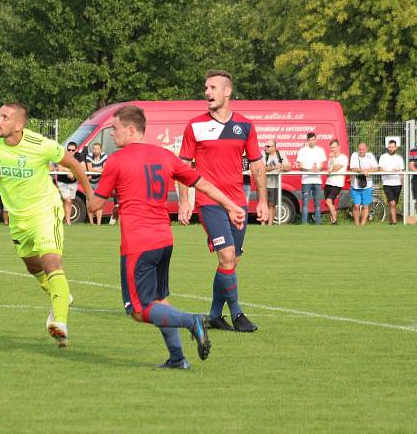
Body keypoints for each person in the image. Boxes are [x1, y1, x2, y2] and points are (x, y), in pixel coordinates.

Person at [88, 106, 246, 368]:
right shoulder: (165, 156)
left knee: (138, 311)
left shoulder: (117, 160)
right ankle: (177, 358)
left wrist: (82, 177)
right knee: (160, 302)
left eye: (114, 129)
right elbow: (202, 183)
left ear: (130, 129)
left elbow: (93, 206)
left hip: (138, 243)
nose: (112, 134)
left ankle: (191, 321)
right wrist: (231, 206)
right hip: (164, 240)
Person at [0, 102, 92, 347]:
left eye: (5, 117)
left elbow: (74, 164)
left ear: (19, 124)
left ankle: (60, 321)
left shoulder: (41, 145)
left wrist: (90, 195)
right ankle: (61, 296)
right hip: (17, 218)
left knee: (51, 262)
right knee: (33, 266)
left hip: (46, 211)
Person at [177, 70, 268, 333]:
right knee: (227, 255)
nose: (207, 92)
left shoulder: (246, 126)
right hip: (209, 202)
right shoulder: (194, 126)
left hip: (238, 203)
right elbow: (182, 166)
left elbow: (258, 165)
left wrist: (262, 200)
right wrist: (185, 201)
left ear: (227, 91)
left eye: (213, 87)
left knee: (231, 261)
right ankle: (238, 314)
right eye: (206, 87)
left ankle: (215, 315)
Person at [295, 132, 327, 225]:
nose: (312, 142)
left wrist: (317, 169)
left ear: (316, 139)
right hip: (306, 181)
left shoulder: (320, 150)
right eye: (310, 140)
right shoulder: (302, 151)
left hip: (317, 181)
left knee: (317, 203)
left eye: (313, 139)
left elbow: (322, 166)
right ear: (307, 141)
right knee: (305, 203)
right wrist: (310, 170)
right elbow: (300, 167)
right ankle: (304, 222)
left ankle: (318, 222)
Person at [349, 142, 378, 226]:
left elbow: (376, 168)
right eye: (359, 149)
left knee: (366, 206)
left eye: (363, 149)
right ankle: (357, 225)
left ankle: (362, 225)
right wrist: (362, 170)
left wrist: (367, 171)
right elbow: (352, 168)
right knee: (356, 206)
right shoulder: (354, 155)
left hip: (367, 185)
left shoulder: (370, 156)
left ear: (366, 149)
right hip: (355, 185)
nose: (361, 151)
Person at [261, 140, 290, 225]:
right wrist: (275, 167)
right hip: (263, 185)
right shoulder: (263, 154)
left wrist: (282, 168)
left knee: (272, 205)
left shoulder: (280, 154)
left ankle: (270, 225)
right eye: (265, 146)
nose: (266, 148)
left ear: (274, 147)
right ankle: (262, 225)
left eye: (268, 146)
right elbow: (262, 167)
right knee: (263, 204)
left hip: (275, 184)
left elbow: (288, 167)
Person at [55, 142, 84, 224]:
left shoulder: (78, 156)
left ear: (76, 150)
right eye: (69, 150)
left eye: (72, 150)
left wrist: (72, 172)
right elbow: (60, 168)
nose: (70, 151)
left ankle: (66, 220)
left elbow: (83, 168)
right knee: (67, 200)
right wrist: (70, 171)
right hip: (62, 182)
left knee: (70, 201)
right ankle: (68, 221)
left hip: (73, 182)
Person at [378, 140, 404, 225]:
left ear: (395, 147)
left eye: (392, 147)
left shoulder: (399, 158)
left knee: (393, 204)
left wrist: (402, 183)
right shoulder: (383, 157)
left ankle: (390, 220)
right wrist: (390, 171)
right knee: (392, 203)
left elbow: (402, 172)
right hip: (387, 183)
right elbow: (380, 169)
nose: (391, 149)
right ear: (387, 147)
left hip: (397, 184)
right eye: (389, 147)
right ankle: (394, 222)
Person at [324, 139, 348, 225]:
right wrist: (330, 169)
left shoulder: (343, 158)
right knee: (331, 205)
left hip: (337, 184)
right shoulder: (330, 158)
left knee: (328, 201)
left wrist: (332, 160)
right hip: (328, 183)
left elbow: (336, 168)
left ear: (339, 147)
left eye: (334, 147)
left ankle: (335, 220)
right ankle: (333, 223)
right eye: (331, 147)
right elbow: (328, 170)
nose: (332, 149)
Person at [85, 142, 107, 224]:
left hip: (99, 182)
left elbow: (105, 169)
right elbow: (90, 169)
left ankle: (98, 223)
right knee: (89, 202)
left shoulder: (104, 156)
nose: (95, 151)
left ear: (100, 150)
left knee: (99, 202)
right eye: (94, 149)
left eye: (97, 149)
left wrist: (97, 170)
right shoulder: (89, 156)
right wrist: (100, 170)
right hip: (89, 182)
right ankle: (91, 223)